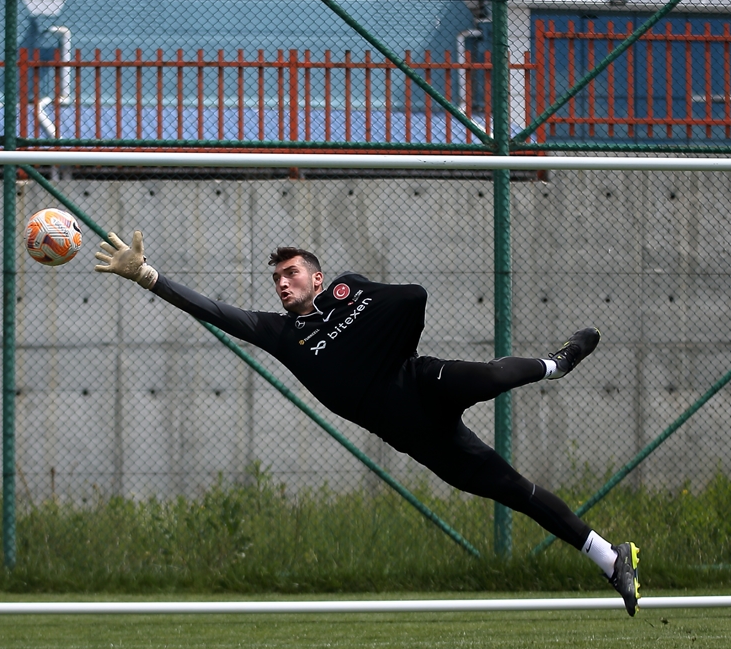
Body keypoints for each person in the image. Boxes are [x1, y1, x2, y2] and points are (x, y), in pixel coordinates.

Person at [95, 231, 641, 615]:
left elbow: (413, 300)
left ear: (317, 277)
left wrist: (354, 297)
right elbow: (213, 310)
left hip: (422, 382)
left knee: (494, 376)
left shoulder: (348, 293)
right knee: (516, 491)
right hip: (414, 435)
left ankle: (555, 364)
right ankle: (608, 555)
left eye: (292, 274)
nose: (282, 284)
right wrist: (146, 275)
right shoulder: (280, 334)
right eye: (277, 278)